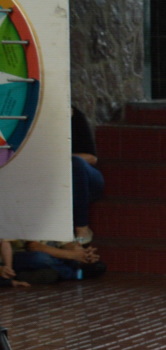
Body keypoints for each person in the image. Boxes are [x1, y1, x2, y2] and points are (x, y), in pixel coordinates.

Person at [70, 106, 102, 244]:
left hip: (86, 179)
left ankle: (82, 227)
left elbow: (92, 158)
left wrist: (62, 158)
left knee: (75, 163)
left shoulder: (76, 116)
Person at [9, 238, 104, 282]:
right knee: (39, 257)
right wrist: (72, 255)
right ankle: (73, 273)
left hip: (53, 255)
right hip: (20, 256)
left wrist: (82, 253)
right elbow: (33, 246)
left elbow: (65, 243)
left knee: (52, 268)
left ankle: (61, 271)